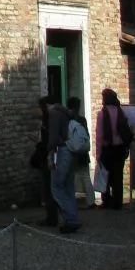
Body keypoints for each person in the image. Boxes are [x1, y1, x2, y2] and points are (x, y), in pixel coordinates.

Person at [48, 96, 80, 233]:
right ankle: (73, 218)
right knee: (68, 187)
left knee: (56, 187)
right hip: (71, 151)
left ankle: (71, 219)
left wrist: (49, 155)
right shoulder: (68, 114)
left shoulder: (54, 114)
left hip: (62, 151)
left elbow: (54, 138)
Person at [95, 87, 130, 210]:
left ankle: (107, 201)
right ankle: (117, 202)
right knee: (118, 176)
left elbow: (99, 135)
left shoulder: (102, 114)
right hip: (119, 148)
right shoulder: (121, 112)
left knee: (106, 175)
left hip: (107, 148)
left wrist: (98, 153)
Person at [31, 96, 58, 226]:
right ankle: (52, 215)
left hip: (48, 158)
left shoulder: (49, 122)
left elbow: (49, 142)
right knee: (50, 188)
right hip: (49, 157)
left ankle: (52, 217)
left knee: (49, 188)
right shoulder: (49, 121)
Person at [67, 96, 96, 208]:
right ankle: (91, 201)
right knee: (85, 176)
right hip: (82, 153)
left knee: (71, 177)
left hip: (71, 152)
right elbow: (86, 136)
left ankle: (72, 202)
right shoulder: (82, 120)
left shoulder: (66, 119)